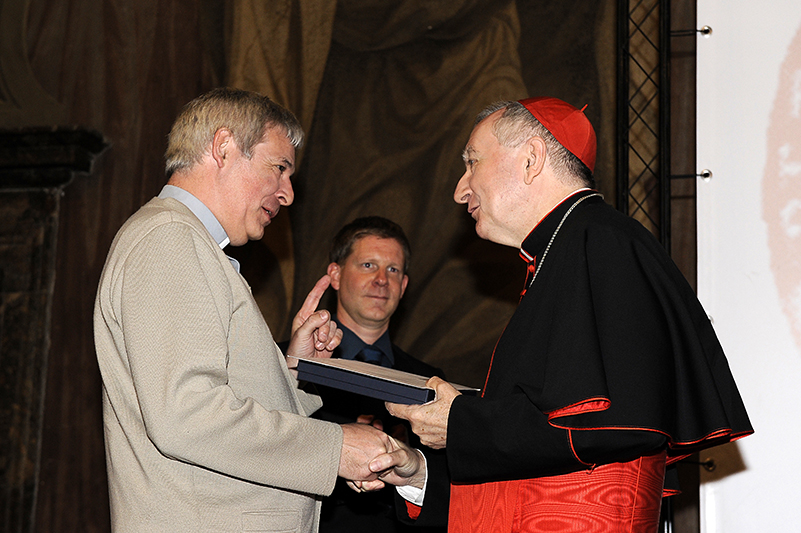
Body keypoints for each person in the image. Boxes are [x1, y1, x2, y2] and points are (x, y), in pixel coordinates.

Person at [369, 97, 754, 532]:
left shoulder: (603, 243)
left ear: (531, 159)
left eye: (472, 162)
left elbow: (616, 424)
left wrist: (461, 423)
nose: (461, 189)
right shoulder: (565, 251)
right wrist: (422, 473)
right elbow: (540, 459)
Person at [93, 87, 396, 532]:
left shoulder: (184, 240)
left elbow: (205, 408)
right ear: (223, 147)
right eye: (279, 168)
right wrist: (335, 449)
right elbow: (187, 416)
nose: (288, 194)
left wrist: (293, 371)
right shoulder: (170, 238)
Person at [283, 216, 446, 532]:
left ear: (404, 285)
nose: (382, 280)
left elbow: (442, 481)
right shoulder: (287, 360)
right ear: (335, 274)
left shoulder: (431, 380)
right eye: (368, 265)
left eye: (393, 270)